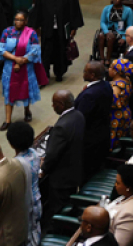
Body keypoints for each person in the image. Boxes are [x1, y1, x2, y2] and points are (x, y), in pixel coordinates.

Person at [40, 90, 85, 230]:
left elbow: (52, 155)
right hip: (75, 171)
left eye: (54, 103)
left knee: (57, 208)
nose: (52, 106)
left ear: (60, 104)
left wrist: (43, 168)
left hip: (61, 179)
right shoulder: (78, 115)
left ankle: (56, 233)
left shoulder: (61, 127)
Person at [28, 0, 84, 81]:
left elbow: (74, 10)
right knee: (46, 51)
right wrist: (36, 26)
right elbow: (38, 8)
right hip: (47, 27)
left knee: (61, 51)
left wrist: (74, 28)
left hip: (62, 29)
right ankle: (45, 74)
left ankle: (59, 73)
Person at [0, 10, 45, 130]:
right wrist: (15, 59)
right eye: (16, 19)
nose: (18, 22)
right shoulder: (7, 32)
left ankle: (27, 110)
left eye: (21, 20)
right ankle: (8, 120)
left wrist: (22, 60)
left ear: (26, 21)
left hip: (26, 67)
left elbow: (35, 51)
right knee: (8, 92)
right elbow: (1, 49)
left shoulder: (31, 33)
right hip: (9, 68)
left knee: (25, 89)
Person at [75, 61, 113, 181]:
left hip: (90, 140)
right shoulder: (106, 85)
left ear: (92, 75)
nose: (83, 73)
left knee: (87, 173)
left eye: (85, 71)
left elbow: (80, 117)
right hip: (103, 133)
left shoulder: (89, 95)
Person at [7, 122, 42, 246]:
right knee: (34, 232)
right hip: (37, 202)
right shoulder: (34, 154)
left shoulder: (15, 166)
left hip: (25, 209)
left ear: (11, 144)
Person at [98, 0, 133, 66]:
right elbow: (102, 22)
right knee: (101, 36)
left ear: (122, 0)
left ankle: (108, 59)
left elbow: (130, 25)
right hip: (107, 30)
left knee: (111, 37)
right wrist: (106, 32)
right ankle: (102, 58)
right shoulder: (107, 8)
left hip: (120, 31)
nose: (115, 0)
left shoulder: (128, 10)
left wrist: (124, 37)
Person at [108, 58, 133, 151]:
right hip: (126, 112)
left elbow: (114, 103)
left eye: (111, 67)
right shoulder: (127, 80)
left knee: (115, 138)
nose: (109, 69)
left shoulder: (116, 86)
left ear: (116, 72)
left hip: (116, 116)